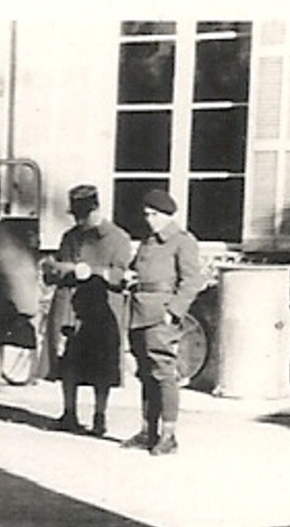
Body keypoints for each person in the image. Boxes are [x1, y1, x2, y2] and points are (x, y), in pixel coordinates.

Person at [43, 184, 133, 436]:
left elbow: (120, 275)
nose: (80, 221)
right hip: (71, 304)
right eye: (76, 216)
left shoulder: (118, 238)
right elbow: (58, 265)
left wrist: (93, 271)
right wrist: (63, 269)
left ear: (97, 209)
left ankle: (99, 416)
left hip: (101, 308)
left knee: (101, 363)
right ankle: (68, 412)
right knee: (68, 360)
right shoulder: (71, 236)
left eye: (84, 215)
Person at [124, 188, 205, 456]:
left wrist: (174, 310)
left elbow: (192, 280)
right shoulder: (149, 241)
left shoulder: (182, 241)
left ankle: (168, 436)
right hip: (138, 311)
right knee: (146, 372)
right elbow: (139, 269)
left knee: (163, 372)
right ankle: (148, 431)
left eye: (155, 215)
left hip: (161, 314)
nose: (149, 219)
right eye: (147, 214)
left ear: (168, 215)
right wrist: (130, 277)